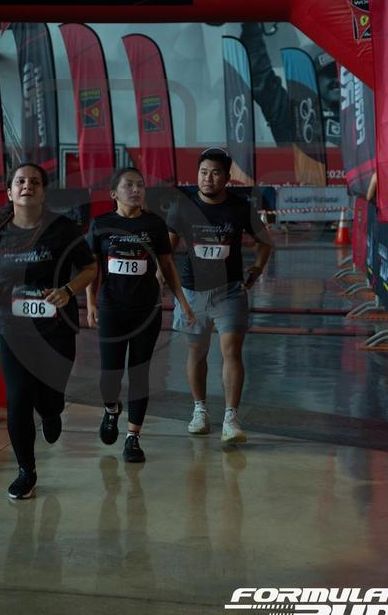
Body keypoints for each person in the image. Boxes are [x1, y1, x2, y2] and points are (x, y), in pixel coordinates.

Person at [0, 163, 97, 499]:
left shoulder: (62, 229)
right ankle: (26, 470)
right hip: (12, 326)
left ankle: (52, 411)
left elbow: (89, 267)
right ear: (10, 191)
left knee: (50, 395)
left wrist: (68, 291)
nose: (27, 186)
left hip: (56, 327)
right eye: (20, 181)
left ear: (43, 192)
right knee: (17, 398)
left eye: (34, 182)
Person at [86, 167, 195, 463]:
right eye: (129, 185)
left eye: (141, 185)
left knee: (139, 374)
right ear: (114, 193)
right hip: (112, 308)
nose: (136, 190)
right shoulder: (101, 224)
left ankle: (133, 437)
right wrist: (92, 303)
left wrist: (183, 303)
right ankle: (111, 410)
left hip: (146, 310)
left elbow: (167, 266)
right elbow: (92, 267)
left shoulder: (154, 224)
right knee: (110, 376)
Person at [166, 148, 272, 443]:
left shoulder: (240, 207)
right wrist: (163, 278)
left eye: (215, 173)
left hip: (230, 291)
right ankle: (199, 410)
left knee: (231, 351)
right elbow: (165, 250)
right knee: (196, 352)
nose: (208, 178)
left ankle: (230, 418)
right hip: (192, 292)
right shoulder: (182, 207)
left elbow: (265, 242)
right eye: (203, 172)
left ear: (227, 177)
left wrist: (257, 268)